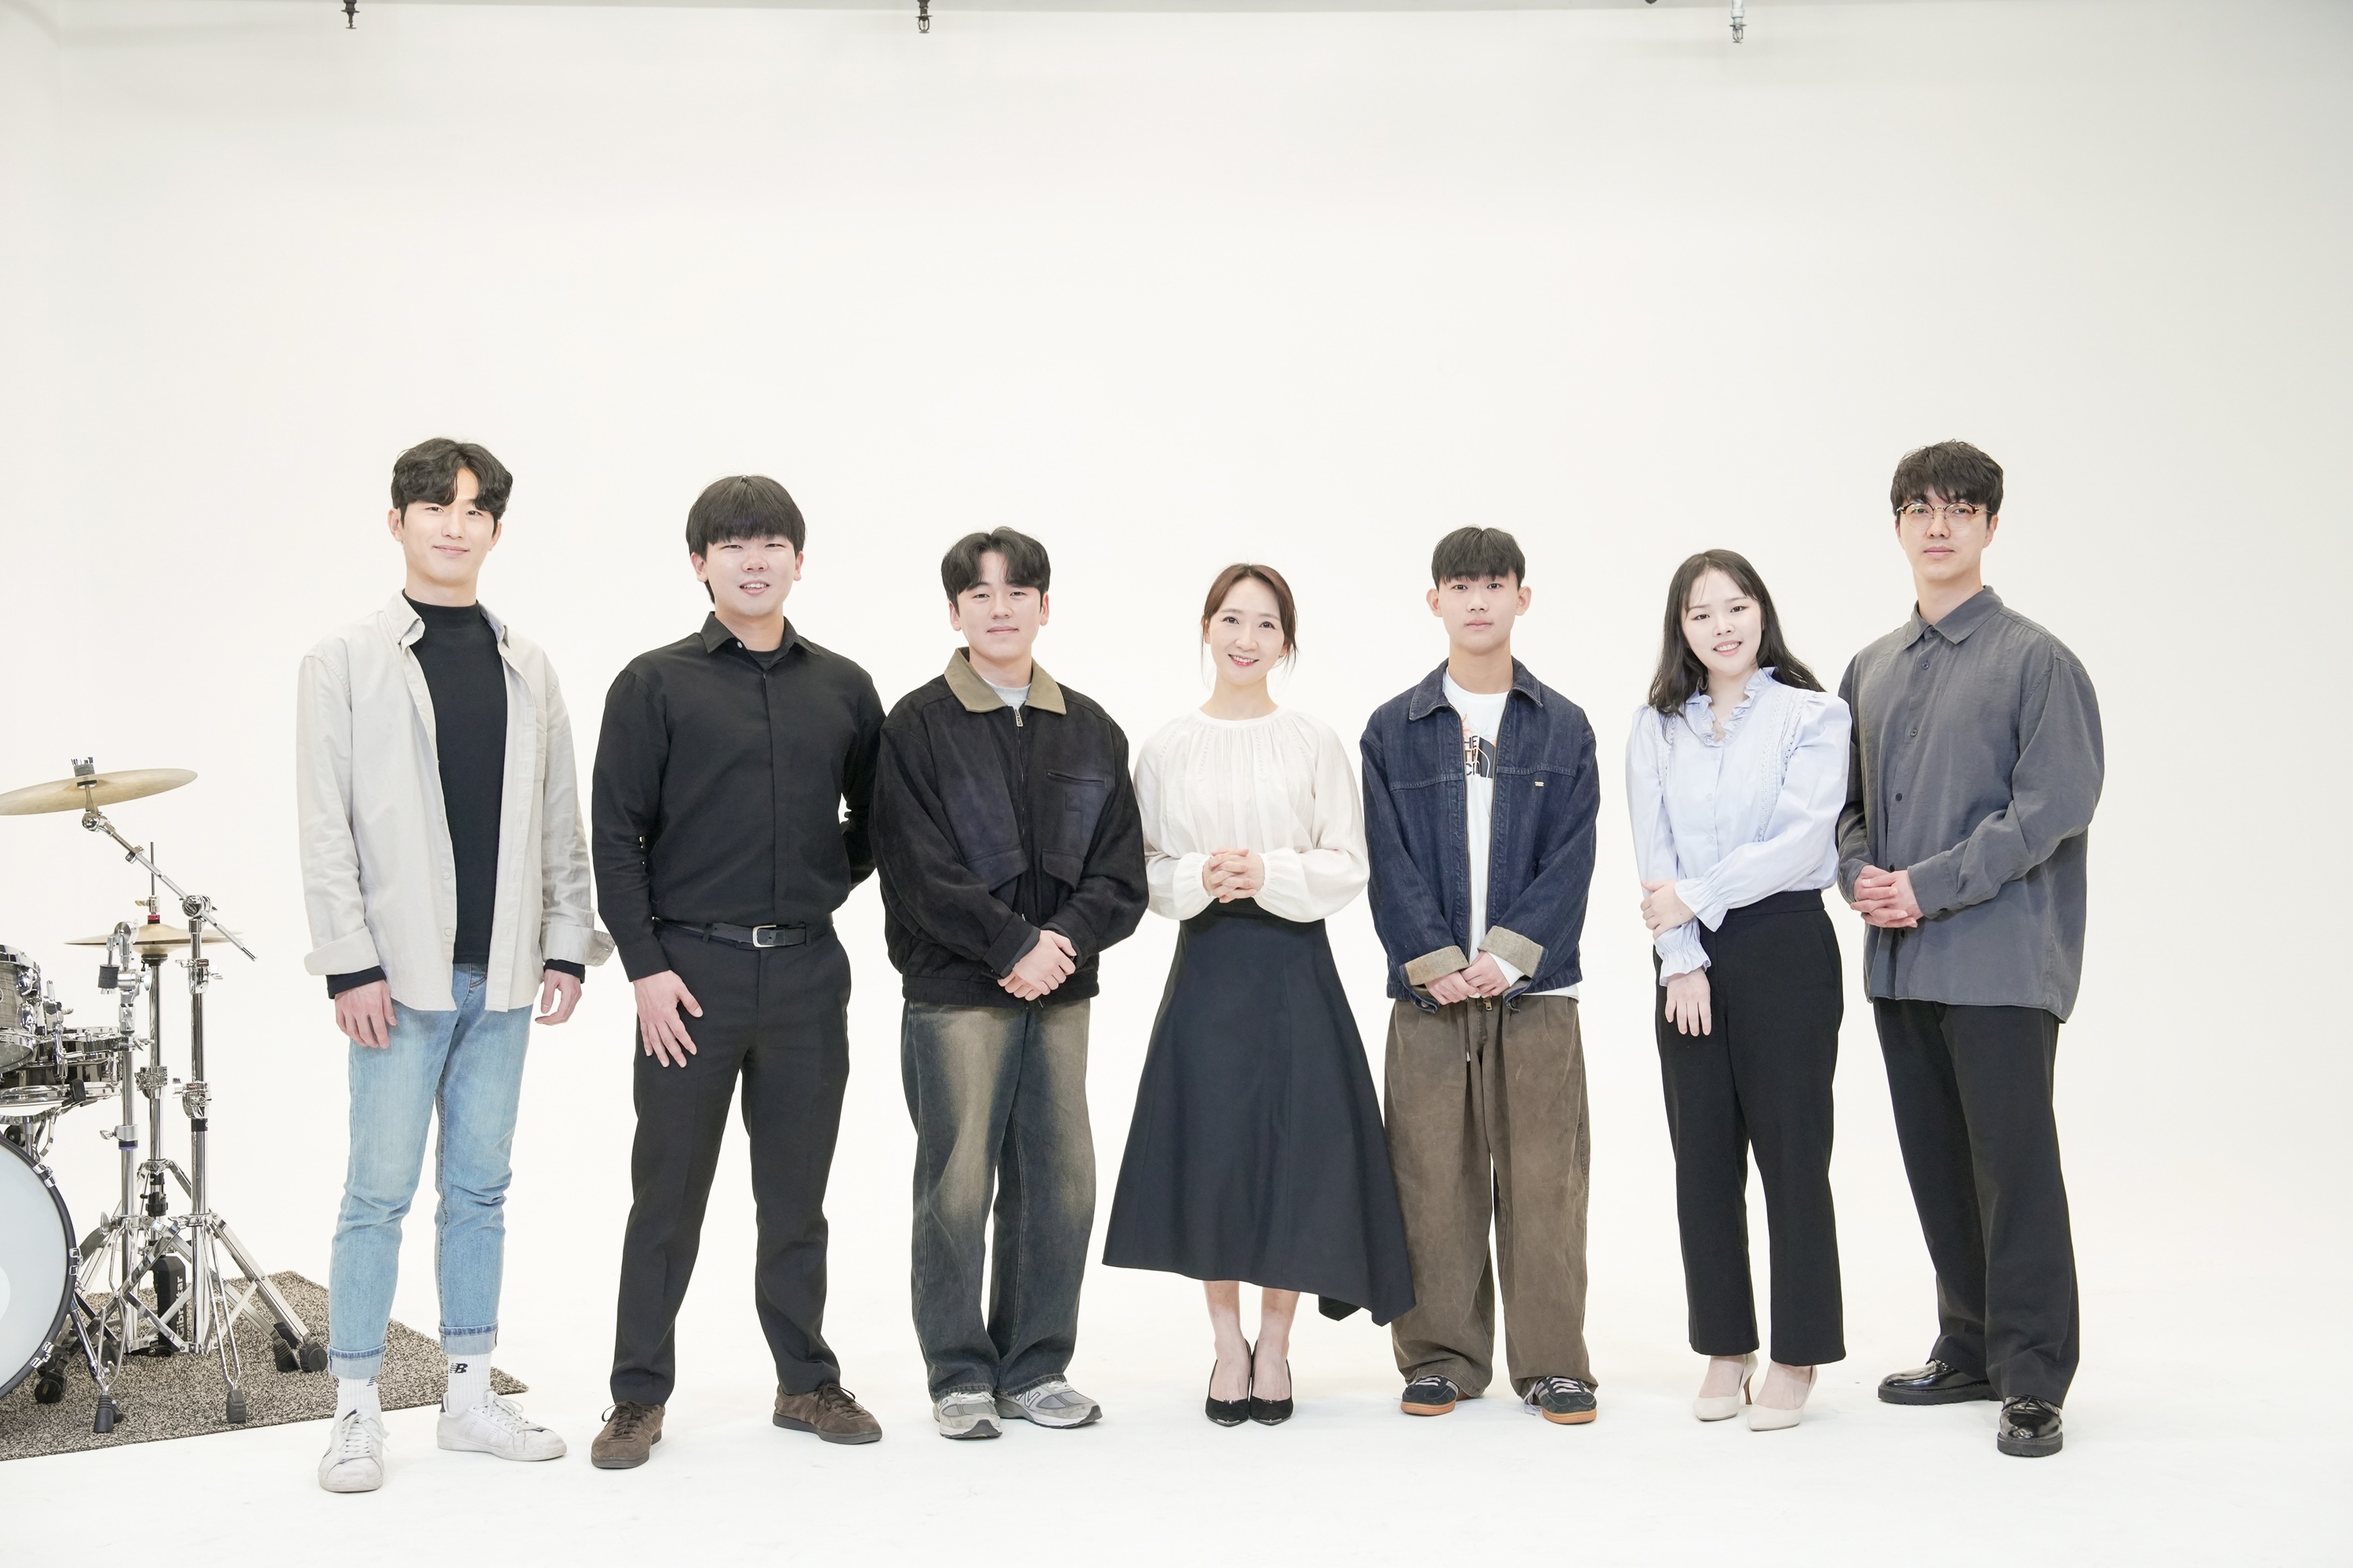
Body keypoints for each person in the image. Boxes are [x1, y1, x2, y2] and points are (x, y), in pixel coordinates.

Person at [297, 437, 608, 1493]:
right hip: (397, 978)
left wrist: (567, 941)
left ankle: (469, 1398)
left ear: (495, 531)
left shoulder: (530, 663)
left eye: (475, 508)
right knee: (376, 1193)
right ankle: (354, 1410)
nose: (454, 523)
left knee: (479, 1189)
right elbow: (326, 826)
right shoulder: (344, 659)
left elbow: (561, 819)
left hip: (507, 974)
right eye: (435, 504)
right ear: (398, 521)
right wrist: (349, 966)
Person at [587, 476, 886, 1469]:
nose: (754, 560)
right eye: (732, 544)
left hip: (808, 975)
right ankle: (637, 1396)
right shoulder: (653, 683)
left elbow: (874, 821)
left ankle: (806, 1381)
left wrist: (818, 883)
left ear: (799, 559)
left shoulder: (844, 687)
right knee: (666, 1199)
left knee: (796, 1198)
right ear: (699, 562)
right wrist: (647, 968)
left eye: (771, 543)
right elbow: (615, 837)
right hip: (689, 980)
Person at [1104, 564, 1414, 1427]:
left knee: (1296, 1152)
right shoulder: (1166, 746)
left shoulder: (1312, 740)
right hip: (1207, 965)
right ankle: (1225, 1341)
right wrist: (1200, 875)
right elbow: (1140, 867)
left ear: (1287, 642)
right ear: (1206, 627)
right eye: (1232, 619)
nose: (1247, 638)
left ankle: (1276, 1343)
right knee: (1213, 1150)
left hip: (1293, 967)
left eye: (1267, 624)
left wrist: (1267, 871)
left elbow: (1347, 860)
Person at [1839, 441, 2102, 1459]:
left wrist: (1927, 884)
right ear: (1897, 526)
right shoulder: (1870, 668)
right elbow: (1845, 807)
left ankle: (2032, 1378)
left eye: (1959, 507)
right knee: (1939, 1165)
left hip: (2001, 963)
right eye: (1920, 507)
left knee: (2014, 1169)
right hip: (1902, 965)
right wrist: (1859, 874)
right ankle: (1969, 1345)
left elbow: (2052, 806)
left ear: (1992, 524)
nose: (1938, 524)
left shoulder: (2038, 661)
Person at [873, 527, 1147, 1441]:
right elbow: (915, 867)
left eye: (1017, 592)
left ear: (1044, 606)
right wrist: (1010, 946)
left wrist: (1056, 945)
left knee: (1060, 1181)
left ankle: (1036, 1366)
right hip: (956, 995)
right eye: (981, 594)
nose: (1000, 608)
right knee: (956, 1183)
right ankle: (958, 1372)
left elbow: (1120, 872)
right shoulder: (916, 725)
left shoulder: (1091, 727)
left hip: (1060, 992)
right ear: (954, 612)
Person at [1360, 527, 1602, 1428]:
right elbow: (1386, 858)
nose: (1477, 601)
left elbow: (1574, 856)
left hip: (1537, 995)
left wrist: (1506, 956)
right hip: (1429, 998)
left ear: (1521, 598)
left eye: (1493, 584)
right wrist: (1437, 961)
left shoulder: (1563, 725)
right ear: (1435, 601)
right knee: (1430, 1180)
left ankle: (1553, 1364)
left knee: (1546, 1182)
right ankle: (1441, 1357)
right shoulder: (1393, 728)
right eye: (1460, 586)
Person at [1625, 549, 1849, 1432]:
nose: (1722, 625)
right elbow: (1654, 850)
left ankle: (1798, 1352)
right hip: (1687, 956)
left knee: (1793, 1155)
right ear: (1680, 628)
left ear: (1763, 612)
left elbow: (1802, 842)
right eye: (1701, 612)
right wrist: (1680, 954)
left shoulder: (1813, 713)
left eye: (1736, 605)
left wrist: (1697, 896)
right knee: (1704, 1160)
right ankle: (1727, 1346)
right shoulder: (1656, 726)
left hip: (1784, 942)